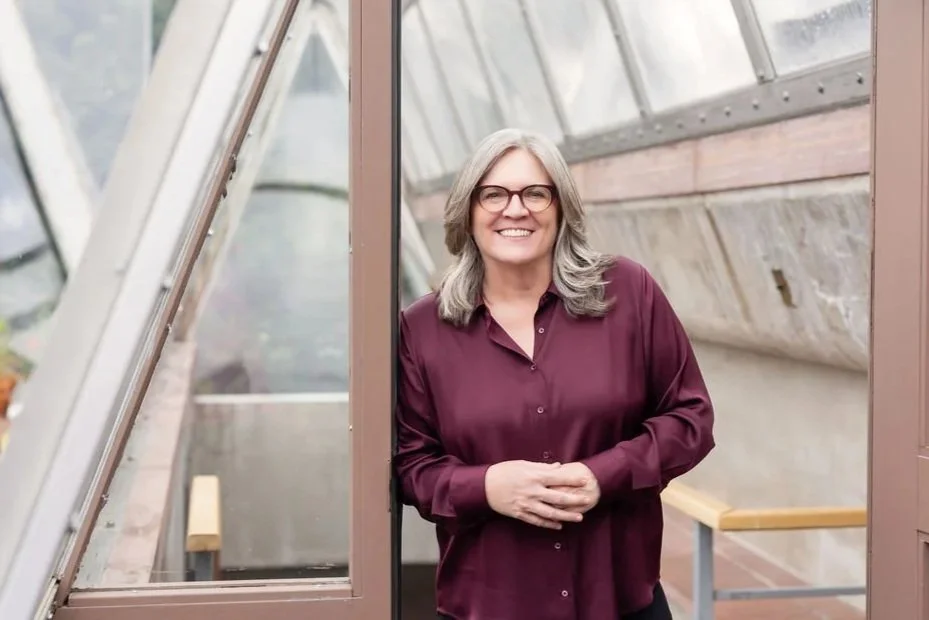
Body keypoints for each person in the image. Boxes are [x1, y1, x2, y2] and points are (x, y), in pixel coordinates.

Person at [395, 127, 715, 620]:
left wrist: (602, 475)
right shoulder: (422, 328)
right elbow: (410, 465)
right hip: (488, 608)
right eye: (494, 194)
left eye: (536, 193)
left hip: (621, 603)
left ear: (561, 207)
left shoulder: (629, 292)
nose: (515, 209)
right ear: (468, 210)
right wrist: (486, 488)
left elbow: (689, 418)